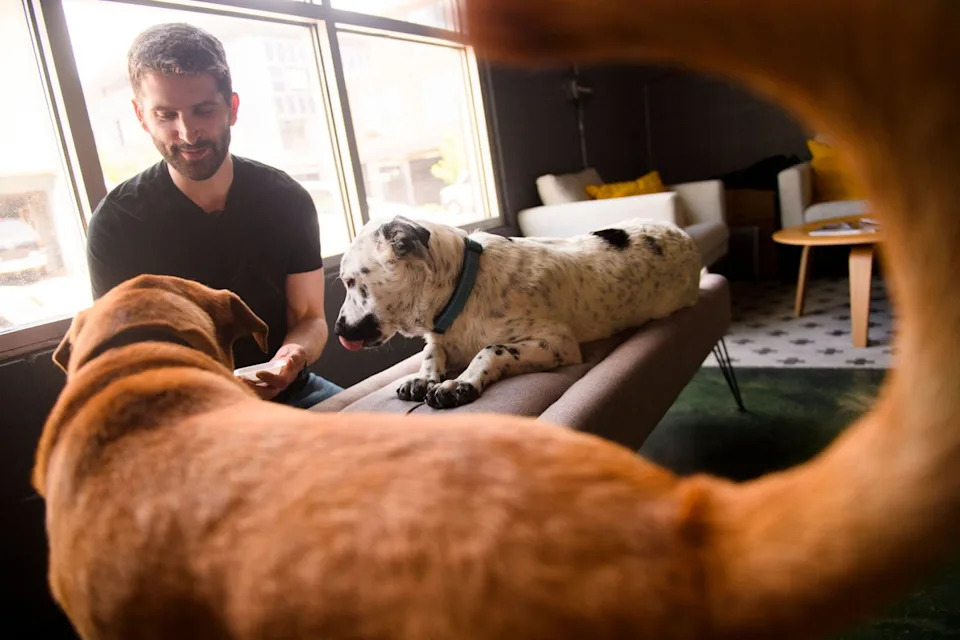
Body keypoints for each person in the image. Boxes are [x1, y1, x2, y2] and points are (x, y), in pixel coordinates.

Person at [85, 23, 342, 409]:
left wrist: (290, 359)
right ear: (141, 117)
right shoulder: (116, 224)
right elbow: (118, 357)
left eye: (203, 111)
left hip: (292, 390)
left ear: (232, 108)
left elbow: (309, 317)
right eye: (165, 115)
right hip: (183, 412)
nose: (188, 133)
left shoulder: (287, 199)